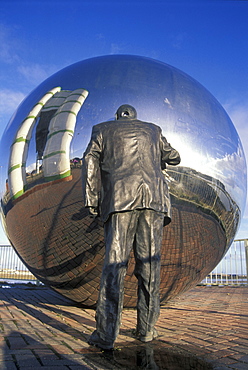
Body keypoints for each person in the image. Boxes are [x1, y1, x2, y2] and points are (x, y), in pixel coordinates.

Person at [82, 104, 180, 350]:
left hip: (119, 200)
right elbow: (175, 156)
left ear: (117, 116)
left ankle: (106, 335)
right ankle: (146, 329)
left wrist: (92, 199)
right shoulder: (154, 130)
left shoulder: (102, 130)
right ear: (136, 116)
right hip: (153, 202)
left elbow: (89, 162)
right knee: (149, 265)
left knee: (115, 265)